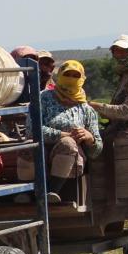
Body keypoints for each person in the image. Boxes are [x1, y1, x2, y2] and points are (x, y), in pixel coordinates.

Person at [18, 60, 103, 203]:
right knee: (28, 146)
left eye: (75, 76)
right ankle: (28, 194)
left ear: (82, 79)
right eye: (67, 74)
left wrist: (89, 138)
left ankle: (51, 192)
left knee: (68, 143)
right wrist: (61, 134)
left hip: (69, 155)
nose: (70, 79)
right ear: (60, 75)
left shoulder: (86, 109)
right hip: (41, 148)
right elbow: (32, 129)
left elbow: (96, 151)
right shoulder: (43, 98)